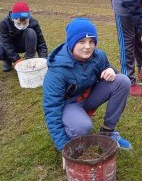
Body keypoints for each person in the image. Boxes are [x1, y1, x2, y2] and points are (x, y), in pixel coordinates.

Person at [42, 18, 132, 151]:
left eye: (91, 41)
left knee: (122, 81)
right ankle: (72, 126)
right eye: (81, 41)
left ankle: (107, 133)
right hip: (69, 104)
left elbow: (109, 72)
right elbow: (51, 108)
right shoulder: (57, 70)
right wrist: (63, 146)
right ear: (72, 43)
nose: (88, 46)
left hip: (88, 96)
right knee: (83, 127)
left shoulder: (98, 56)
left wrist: (110, 70)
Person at [0, 1, 48, 72]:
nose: (22, 25)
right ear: (13, 19)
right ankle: (7, 60)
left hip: (25, 44)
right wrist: (16, 59)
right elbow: (5, 43)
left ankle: (30, 60)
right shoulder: (4, 23)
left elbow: (40, 41)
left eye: (25, 23)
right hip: (10, 44)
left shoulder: (34, 22)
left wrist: (44, 58)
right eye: (19, 23)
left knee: (31, 32)